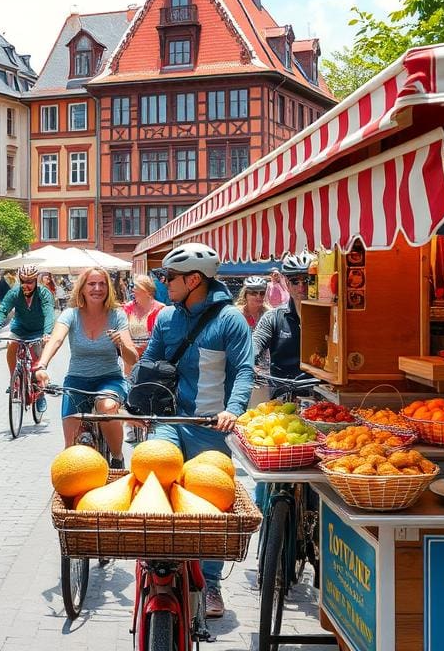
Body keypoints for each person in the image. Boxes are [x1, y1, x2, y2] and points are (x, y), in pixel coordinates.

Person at [140, 243, 255, 618]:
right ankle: (159, 562)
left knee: (212, 502)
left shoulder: (230, 320)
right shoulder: (168, 319)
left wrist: (233, 410)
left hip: (209, 425)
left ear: (194, 280)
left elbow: (243, 371)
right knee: (153, 474)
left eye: (169, 277)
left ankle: (211, 584)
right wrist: (132, 400)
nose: (164, 283)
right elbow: (147, 362)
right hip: (170, 419)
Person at [33, 266, 137, 469]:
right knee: (70, 447)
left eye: (102, 284)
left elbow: (132, 358)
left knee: (106, 408)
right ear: (82, 288)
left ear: (108, 288)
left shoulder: (117, 315)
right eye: (91, 284)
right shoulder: (71, 314)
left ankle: (117, 459)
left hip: (109, 378)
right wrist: (42, 364)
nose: (97, 288)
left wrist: (121, 344)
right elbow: (56, 340)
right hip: (77, 380)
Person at [0, 265, 56, 410]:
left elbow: (49, 313)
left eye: (30, 281)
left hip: (39, 330)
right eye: (23, 281)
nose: (26, 285)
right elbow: (3, 309)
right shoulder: (14, 292)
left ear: (36, 280)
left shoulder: (44, 293)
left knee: (38, 361)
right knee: (11, 345)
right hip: (20, 329)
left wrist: (47, 333)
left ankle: (40, 393)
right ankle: (14, 381)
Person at [253, 253, 312, 383]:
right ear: (286, 282)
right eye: (295, 281)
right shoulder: (273, 317)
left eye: (308, 280)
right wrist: (249, 358)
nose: (302, 287)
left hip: (320, 390)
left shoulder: (329, 316)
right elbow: (256, 341)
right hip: (282, 392)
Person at [121, 274, 165, 376]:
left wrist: (146, 347)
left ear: (147, 291)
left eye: (136, 287)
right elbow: (122, 332)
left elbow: (163, 337)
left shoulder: (160, 309)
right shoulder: (128, 308)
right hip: (131, 358)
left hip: (152, 359)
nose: (132, 290)